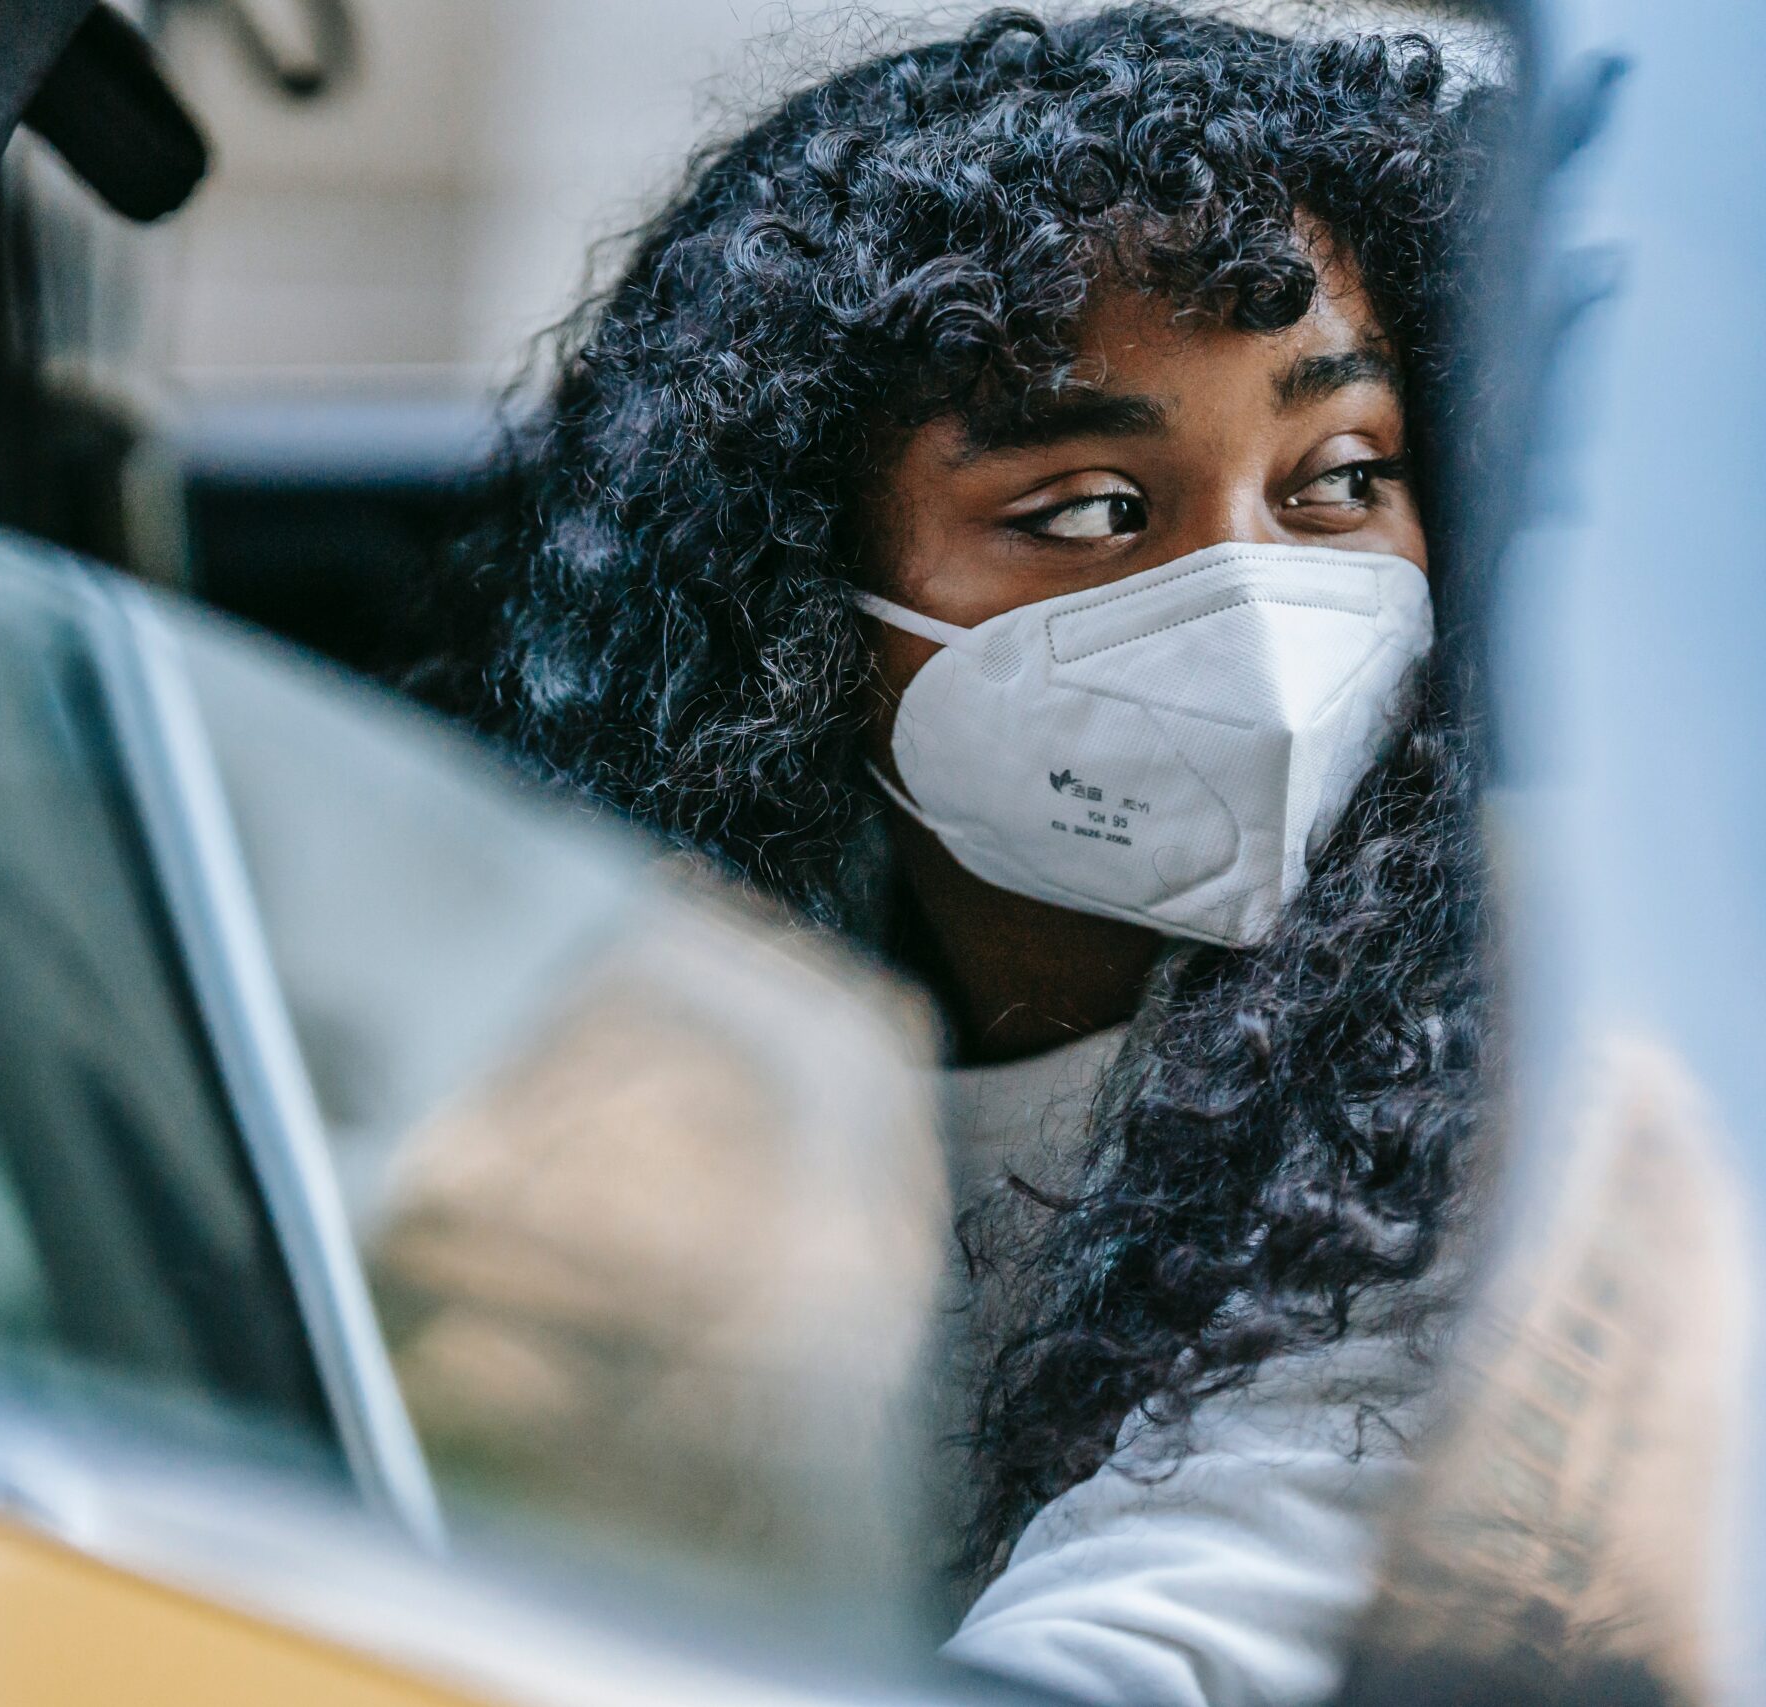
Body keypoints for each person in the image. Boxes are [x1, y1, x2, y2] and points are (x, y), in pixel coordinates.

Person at [419, 8, 1497, 1704]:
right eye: (1087, 511)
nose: (1253, 605)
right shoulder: (630, 1059)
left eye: (1339, 476)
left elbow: (1191, 1622)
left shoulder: (1479, 1066)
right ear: (803, 598)